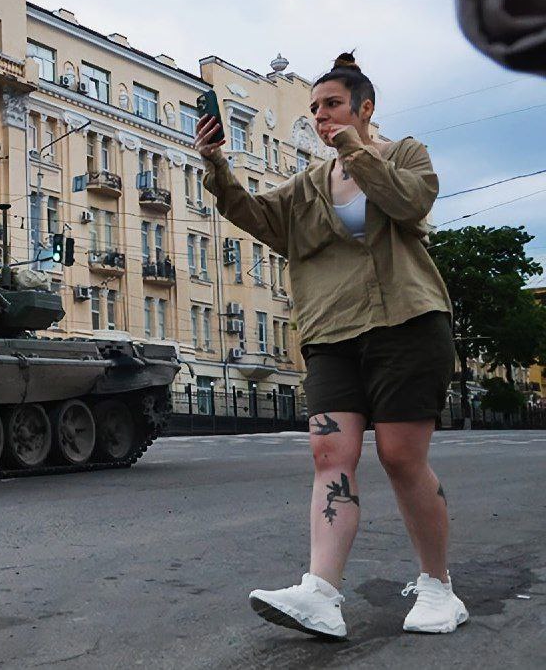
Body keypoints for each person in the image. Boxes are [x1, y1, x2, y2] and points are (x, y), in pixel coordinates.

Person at [195, 53, 466, 639]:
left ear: (365, 108)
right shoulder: (307, 187)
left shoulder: (404, 154)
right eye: (315, 108)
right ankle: (320, 592)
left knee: (400, 456)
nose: (321, 116)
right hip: (329, 332)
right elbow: (256, 217)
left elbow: (411, 203)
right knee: (329, 457)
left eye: (333, 105)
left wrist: (356, 151)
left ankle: (438, 586)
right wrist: (216, 164)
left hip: (406, 322)